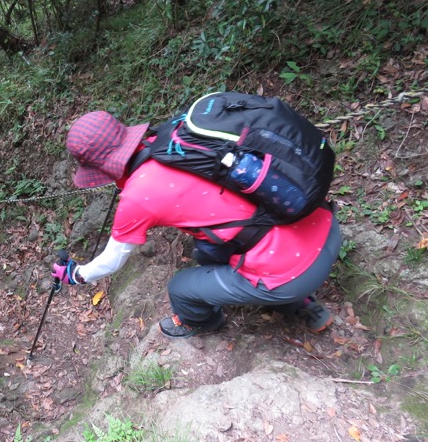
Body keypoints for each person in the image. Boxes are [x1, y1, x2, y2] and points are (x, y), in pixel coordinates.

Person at [51, 110, 341, 338]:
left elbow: (112, 261)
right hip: (321, 224)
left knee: (181, 288)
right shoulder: (176, 139)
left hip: (293, 273)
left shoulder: (137, 196)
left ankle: (204, 322)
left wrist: (76, 275)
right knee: (205, 252)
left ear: (100, 167)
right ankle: (302, 303)